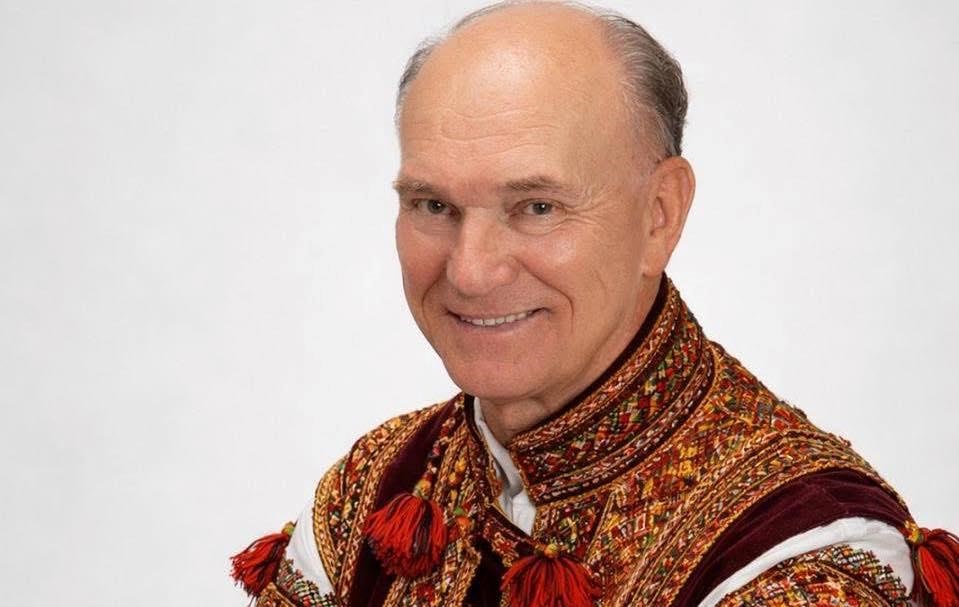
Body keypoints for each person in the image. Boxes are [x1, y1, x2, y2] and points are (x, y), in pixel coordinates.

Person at [231, 2, 959, 606]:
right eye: (433, 204)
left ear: (660, 215)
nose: (471, 271)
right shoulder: (371, 487)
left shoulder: (798, 545)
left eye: (536, 207)